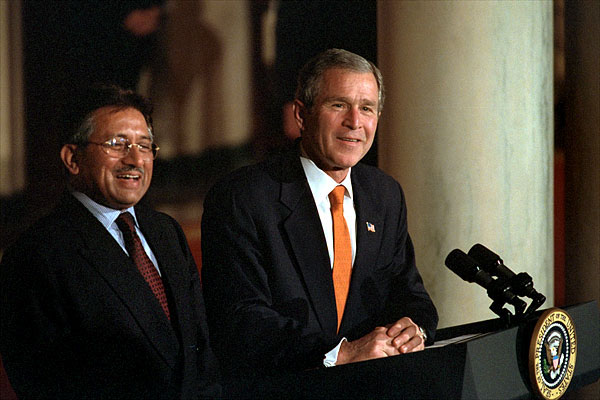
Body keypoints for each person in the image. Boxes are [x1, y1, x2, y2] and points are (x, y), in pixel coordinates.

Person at [201, 48, 438, 378]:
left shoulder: (385, 194)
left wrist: (414, 328)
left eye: (366, 108)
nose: (354, 122)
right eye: (338, 105)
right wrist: (337, 353)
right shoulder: (244, 197)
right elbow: (239, 317)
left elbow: (409, 293)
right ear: (301, 114)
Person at [0, 85, 220, 398]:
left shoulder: (166, 232)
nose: (135, 159)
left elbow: (201, 350)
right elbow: (45, 384)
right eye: (117, 144)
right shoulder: (37, 255)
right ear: (73, 158)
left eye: (145, 146)